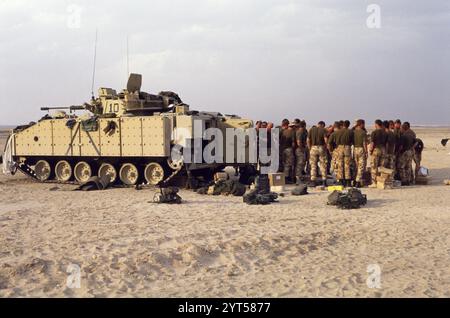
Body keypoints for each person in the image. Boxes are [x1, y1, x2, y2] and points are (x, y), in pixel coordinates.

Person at [307, 121, 328, 187]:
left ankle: (313, 181)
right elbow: (326, 140)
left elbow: (308, 140)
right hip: (321, 147)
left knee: (313, 165)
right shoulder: (324, 130)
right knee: (323, 164)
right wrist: (325, 147)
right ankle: (324, 181)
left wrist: (309, 147)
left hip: (313, 147)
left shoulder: (311, 130)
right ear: (322, 125)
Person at [335, 120, 354, 187]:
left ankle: (340, 180)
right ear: (348, 125)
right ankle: (348, 181)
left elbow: (336, 141)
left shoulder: (338, 132)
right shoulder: (350, 132)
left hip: (340, 147)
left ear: (343, 125)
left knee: (340, 164)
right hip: (347, 147)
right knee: (347, 164)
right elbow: (352, 141)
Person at [368, 119, 387, 187]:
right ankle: (381, 181)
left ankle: (374, 182)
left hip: (376, 149)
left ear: (376, 124)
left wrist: (370, 150)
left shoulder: (374, 132)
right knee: (381, 167)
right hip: (383, 150)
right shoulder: (385, 132)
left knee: (374, 166)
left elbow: (372, 143)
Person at [279, 119, 295, 183]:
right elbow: (293, 143)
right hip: (288, 149)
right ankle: (286, 178)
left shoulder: (282, 131)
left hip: (282, 149)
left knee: (283, 163)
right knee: (288, 164)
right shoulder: (292, 132)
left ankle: (282, 177)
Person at [353, 119, 367, 188]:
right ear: (361, 124)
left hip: (355, 149)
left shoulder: (353, 132)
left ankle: (355, 180)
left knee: (356, 165)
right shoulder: (363, 132)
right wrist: (366, 151)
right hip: (361, 149)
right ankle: (358, 181)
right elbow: (364, 143)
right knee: (361, 166)